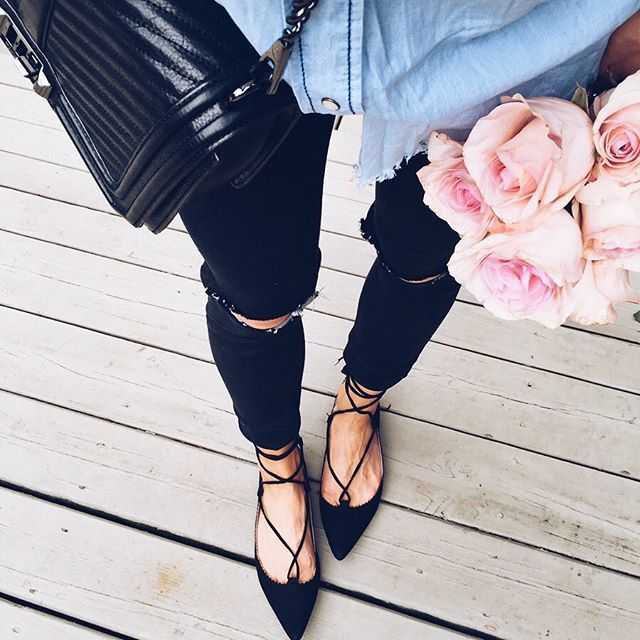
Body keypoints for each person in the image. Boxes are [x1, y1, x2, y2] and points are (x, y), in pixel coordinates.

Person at [179, 2, 640, 639]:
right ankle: (277, 461)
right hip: (229, 24)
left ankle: (360, 398)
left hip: (502, 24)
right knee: (256, 285)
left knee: (428, 241)